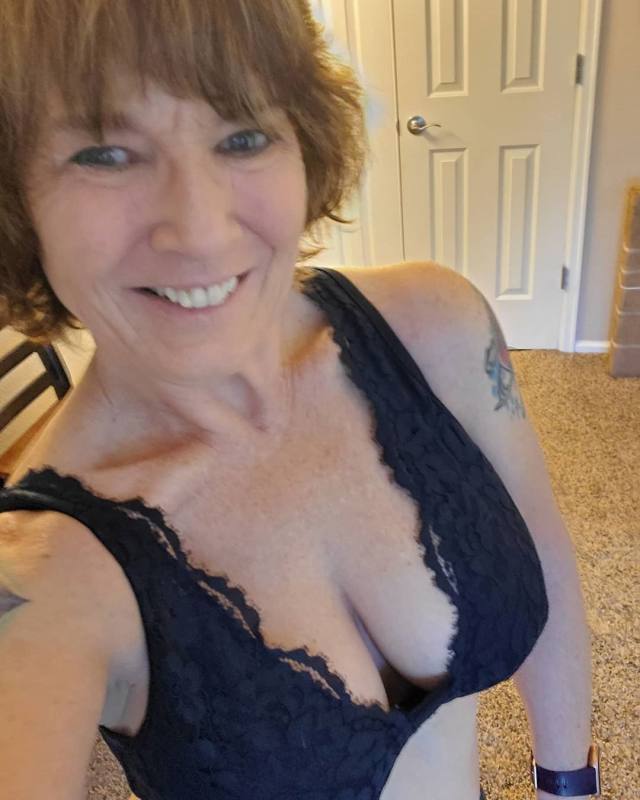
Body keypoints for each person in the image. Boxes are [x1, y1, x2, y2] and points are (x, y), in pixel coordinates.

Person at [0, 2, 598, 799]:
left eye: (243, 136)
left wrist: (569, 783)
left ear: (306, 141)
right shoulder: (45, 572)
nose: (201, 230)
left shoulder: (435, 327)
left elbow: (545, 552)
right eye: (106, 154)